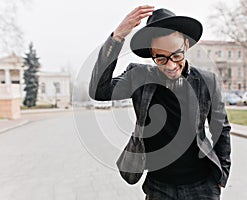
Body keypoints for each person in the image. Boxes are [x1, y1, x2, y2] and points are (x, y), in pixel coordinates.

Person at [89, 5, 231, 200]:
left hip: (202, 186)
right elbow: (99, 90)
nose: (171, 65)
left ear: (186, 46)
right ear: (152, 54)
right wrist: (118, 36)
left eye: (176, 55)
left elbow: (221, 129)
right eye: (161, 58)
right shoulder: (138, 77)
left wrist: (222, 175)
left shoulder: (207, 81)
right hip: (159, 187)